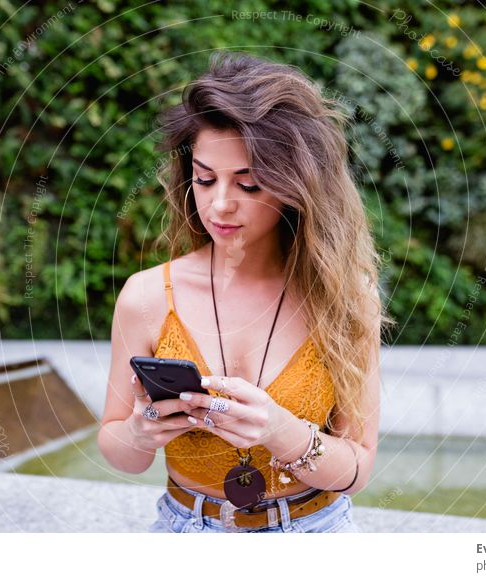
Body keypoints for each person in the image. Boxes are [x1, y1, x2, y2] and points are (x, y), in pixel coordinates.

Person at [98, 51, 390, 533]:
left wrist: (281, 432)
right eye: (205, 178)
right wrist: (139, 431)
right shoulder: (147, 297)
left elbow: (357, 470)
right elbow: (119, 452)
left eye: (249, 184)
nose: (220, 204)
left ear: (296, 187)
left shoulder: (343, 297)